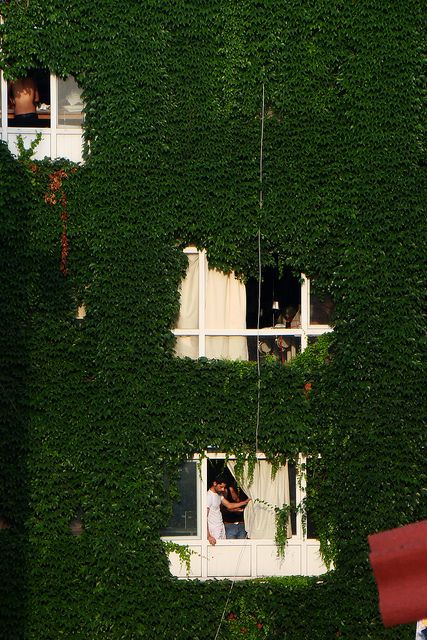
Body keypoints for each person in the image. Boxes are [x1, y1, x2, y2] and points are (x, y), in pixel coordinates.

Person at [207, 477, 250, 545]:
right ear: (215, 483)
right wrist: (208, 536)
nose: (223, 489)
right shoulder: (208, 496)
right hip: (213, 528)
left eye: (224, 487)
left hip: (221, 526)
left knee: (224, 549)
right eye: (221, 487)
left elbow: (229, 505)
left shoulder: (219, 494)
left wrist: (245, 502)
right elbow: (204, 517)